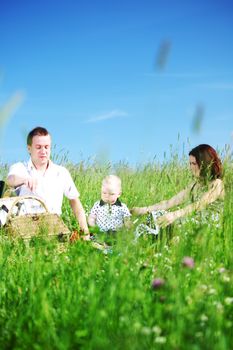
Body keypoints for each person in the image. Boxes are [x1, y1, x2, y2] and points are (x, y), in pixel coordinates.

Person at [6, 126, 90, 238]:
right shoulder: (20, 168)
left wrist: (85, 233)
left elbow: (75, 202)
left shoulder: (61, 172)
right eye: (38, 147)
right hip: (25, 230)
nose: (43, 151)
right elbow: (10, 180)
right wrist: (24, 180)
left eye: (46, 147)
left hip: (54, 230)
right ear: (29, 148)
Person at [131, 144, 224, 228]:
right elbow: (169, 203)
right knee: (158, 215)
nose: (191, 167)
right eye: (190, 163)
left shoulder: (217, 184)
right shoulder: (194, 185)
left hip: (208, 227)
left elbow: (199, 205)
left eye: (194, 163)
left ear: (205, 163)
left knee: (174, 223)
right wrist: (143, 210)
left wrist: (174, 215)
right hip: (193, 223)